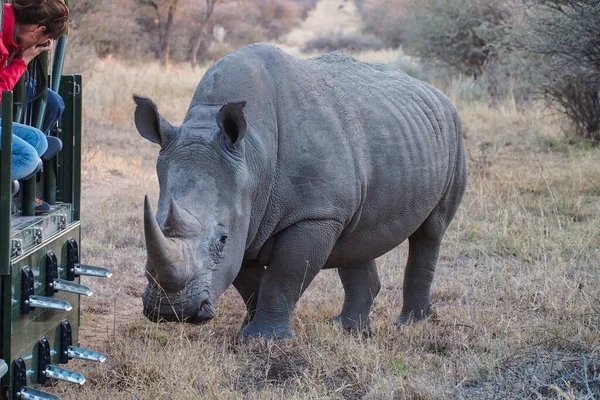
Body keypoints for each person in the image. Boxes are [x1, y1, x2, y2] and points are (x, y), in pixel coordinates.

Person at [0, 0, 68, 182]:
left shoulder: (7, 30)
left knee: (38, 140)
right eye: (43, 40)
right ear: (38, 30)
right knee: (28, 158)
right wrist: (22, 60)